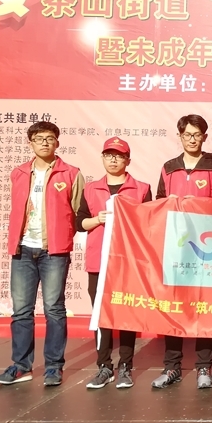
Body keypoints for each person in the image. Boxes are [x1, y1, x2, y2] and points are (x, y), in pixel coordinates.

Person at [0, 122, 84, 386]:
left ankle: (54, 367)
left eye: (49, 138)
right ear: (30, 143)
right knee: (21, 310)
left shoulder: (71, 173)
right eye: (38, 138)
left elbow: (78, 211)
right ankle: (21, 366)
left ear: (57, 142)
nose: (44, 142)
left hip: (53, 251)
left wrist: (63, 237)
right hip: (22, 249)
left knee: (54, 309)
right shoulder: (19, 173)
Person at [152, 114, 212, 390]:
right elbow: (157, 206)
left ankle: (203, 366)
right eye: (187, 135)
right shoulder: (168, 169)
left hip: (206, 251)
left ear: (205, 137)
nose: (192, 139)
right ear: (180, 136)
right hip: (175, 249)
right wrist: (168, 204)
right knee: (173, 307)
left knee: (202, 308)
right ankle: (171, 366)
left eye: (197, 135)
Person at [76, 137, 152, 390]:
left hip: (128, 263)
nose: (113, 160)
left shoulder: (141, 189)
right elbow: (80, 223)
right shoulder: (91, 189)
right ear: (102, 158)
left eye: (119, 156)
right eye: (109, 155)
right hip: (99, 262)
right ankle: (104, 366)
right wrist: (97, 219)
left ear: (127, 160)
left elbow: (149, 225)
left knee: (127, 314)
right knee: (101, 316)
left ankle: (126, 366)